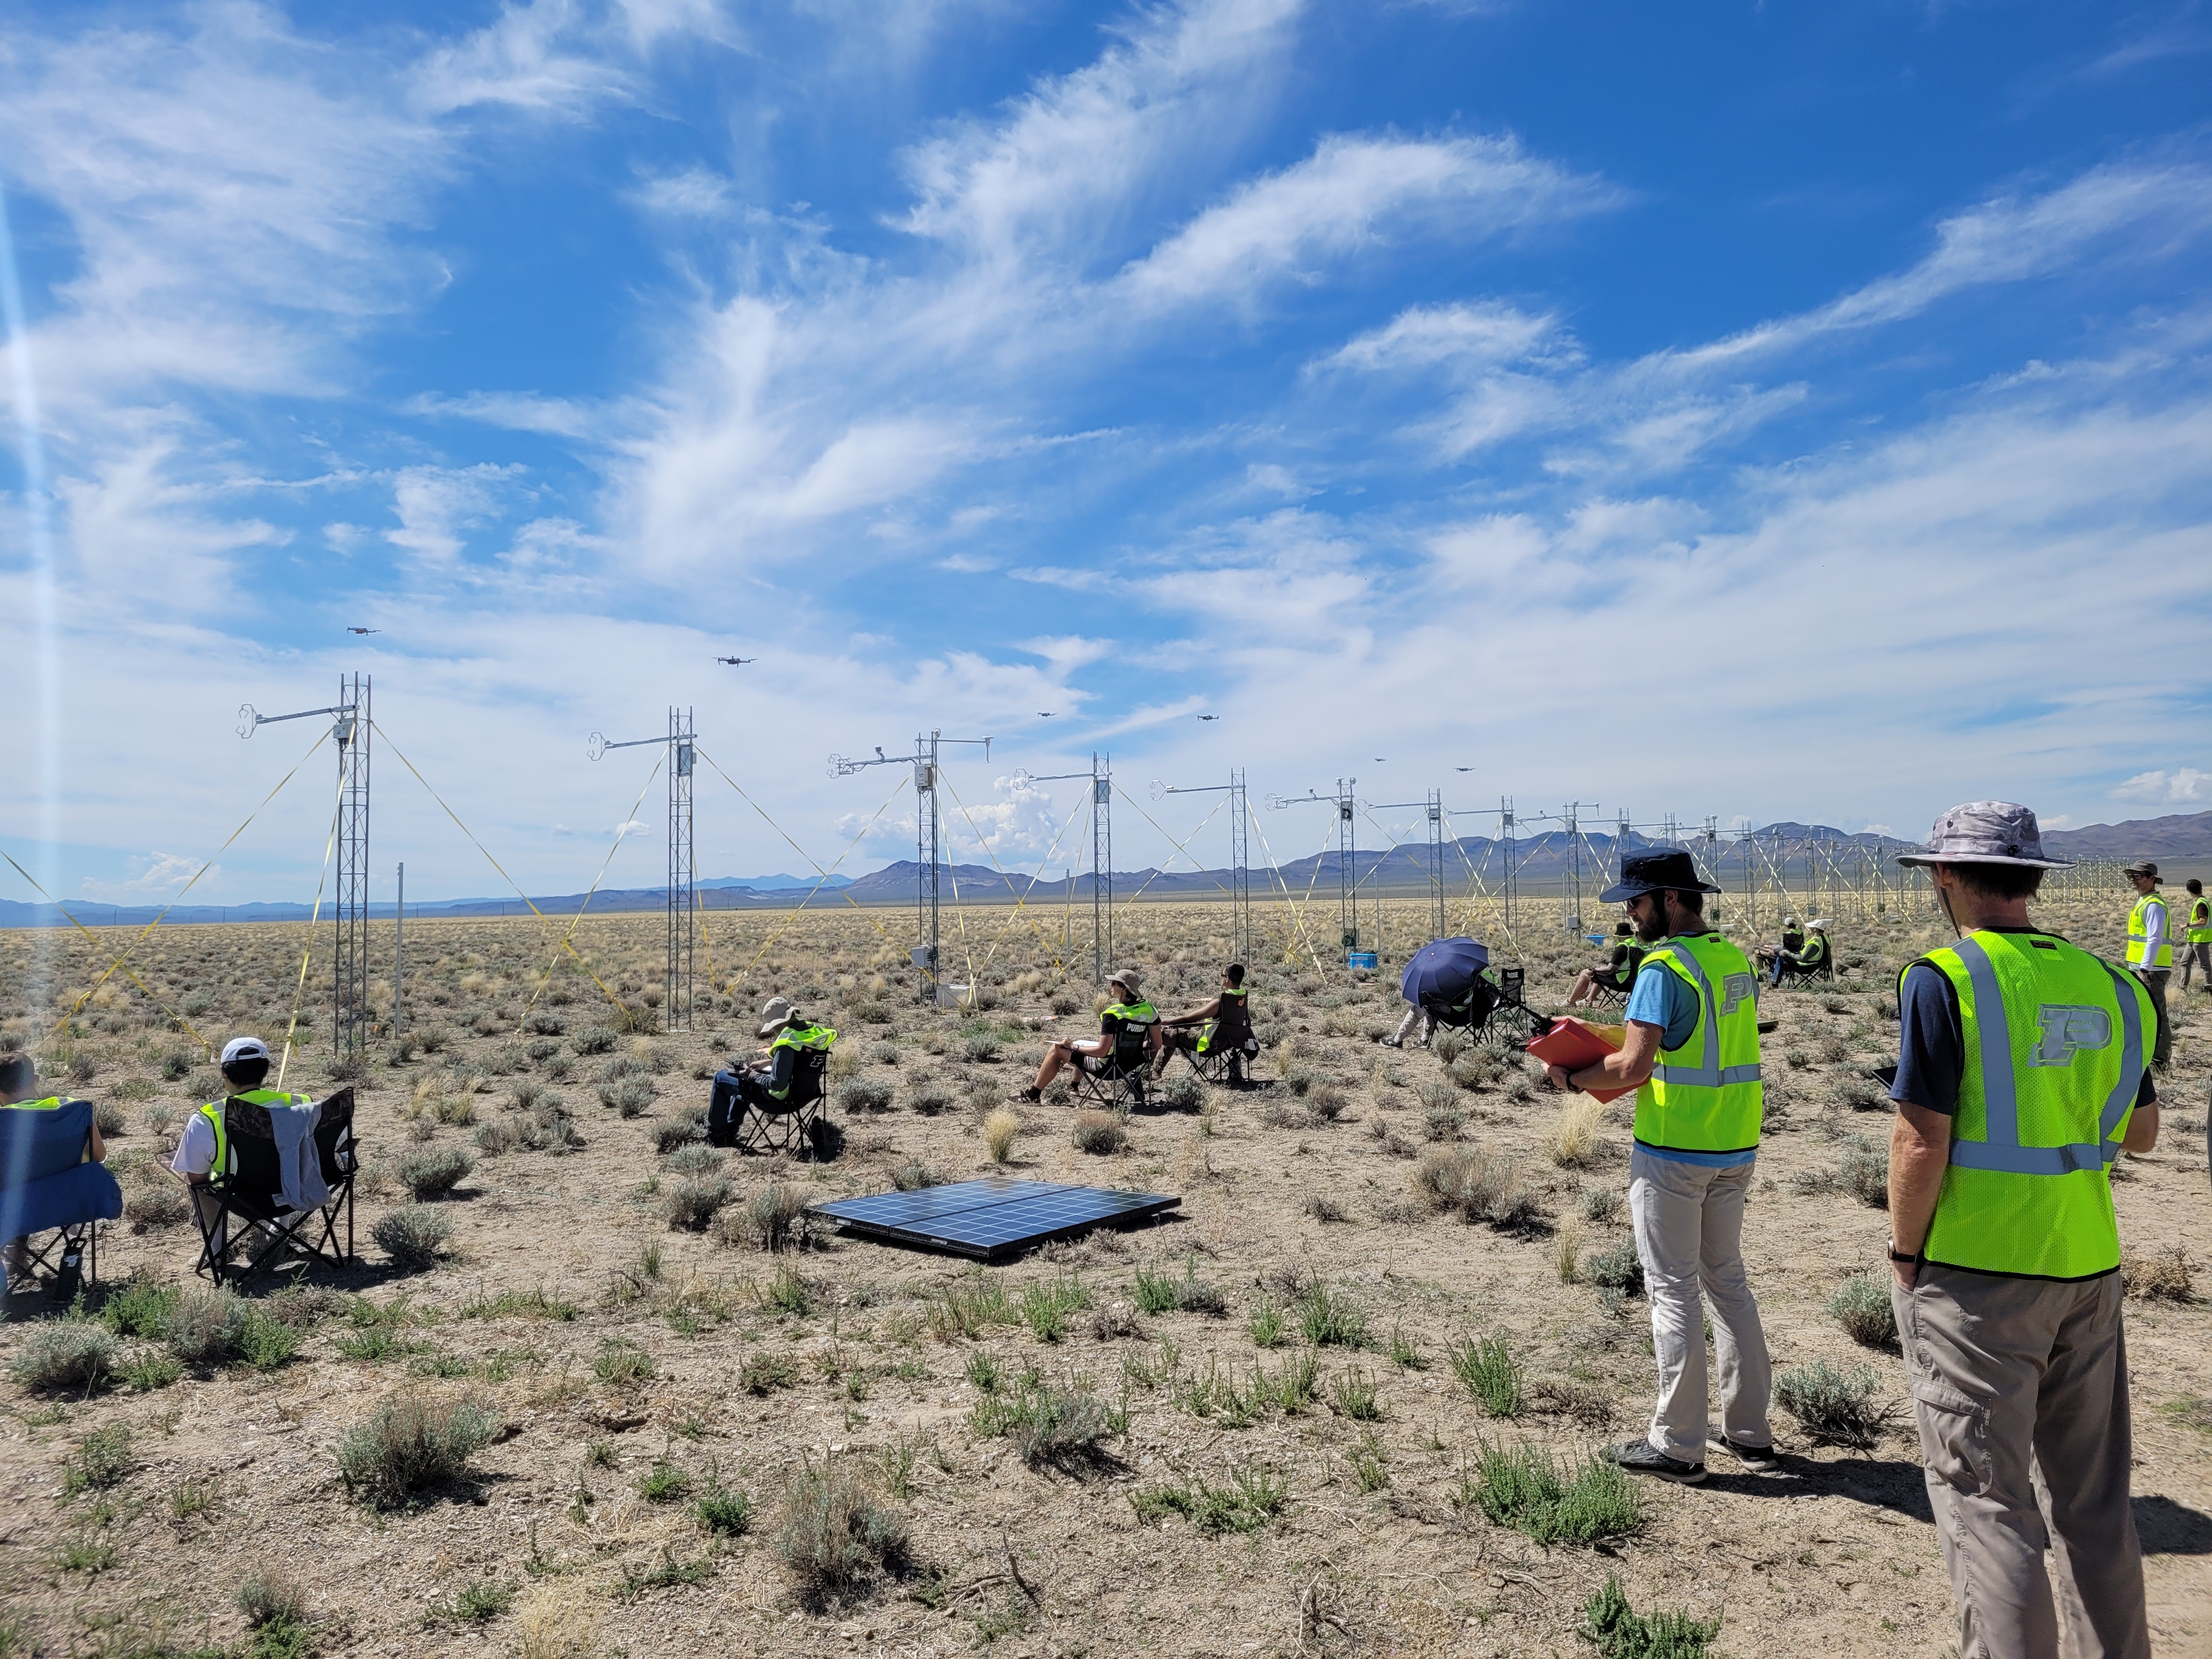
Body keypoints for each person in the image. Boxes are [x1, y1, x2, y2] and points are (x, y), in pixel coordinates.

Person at [1888, 802, 2157, 1659]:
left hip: (1977, 1278)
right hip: (2088, 1265)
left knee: (1988, 1504)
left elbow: (1920, 1141)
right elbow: (2143, 1133)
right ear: (2033, 879)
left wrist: (1904, 1254)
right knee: (2095, 1505)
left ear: (1944, 876)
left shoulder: (1944, 978)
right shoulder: (2114, 985)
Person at [1542, 849, 1773, 1484]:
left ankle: (1678, 1445)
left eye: (1637, 902)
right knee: (1727, 1283)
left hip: (1674, 1150)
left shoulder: (1662, 967)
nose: (1630, 914)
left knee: (1672, 1290)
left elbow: (1634, 1066)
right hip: (1735, 1143)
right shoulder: (1732, 959)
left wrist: (1572, 1077)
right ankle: (1750, 1433)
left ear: (1671, 899)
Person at [170, 1036, 312, 1250]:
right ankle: (281, 1230)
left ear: (224, 1074)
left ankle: (217, 1250)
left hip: (241, 1200)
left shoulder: (207, 1118)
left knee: (198, 1182)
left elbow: (197, 1177)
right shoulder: (302, 1104)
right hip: (295, 1193)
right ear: (265, 1070)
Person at [1, 1050, 107, 1292]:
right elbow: (99, 1155)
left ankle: (14, 1255)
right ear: (36, 1080)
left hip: (11, 1211)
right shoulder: (72, 1110)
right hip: (67, 1203)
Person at [1015, 969, 1156, 1102]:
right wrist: (1133, 1047)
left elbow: (1102, 1052)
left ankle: (1033, 1096)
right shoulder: (1149, 1010)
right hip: (1129, 1065)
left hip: (1107, 1068)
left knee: (1058, 1048)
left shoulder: (1113, 1014)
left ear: (1124, 988)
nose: (1110, 985)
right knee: (1082, 1043)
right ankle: (1074, 1087)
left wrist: (1073, 1047)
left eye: (1114, 983)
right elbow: (1156, 1045)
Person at [1153, 963, 1256, 1083]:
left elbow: (1190, 1018)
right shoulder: (1242, 997)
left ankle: (1154, 1072)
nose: (1221, 978)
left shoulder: (1221, 1001)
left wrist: (1163, 1022)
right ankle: (1155, 1071)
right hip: (1226, 1043)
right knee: (1178, 1030)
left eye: (1222, 975)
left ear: (1227, 979)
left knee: (1166, 1033)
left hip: (1206, 1045)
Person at [2123, 860, 2171, 1071]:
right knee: (2145, 1015)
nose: (2133, 880)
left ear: (2152, 879)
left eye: (2138, 876)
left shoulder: (2153, 905)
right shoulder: (2144, 902)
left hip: (2151, 971)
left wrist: (2144, 969)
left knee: (2157, 1015)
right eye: (2131, 876)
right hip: (2141, 969)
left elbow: (2154, 939)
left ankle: (2160, 1063)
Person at [1567, 922, 1643, 1007]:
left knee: (1585, 973)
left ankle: (1570, 1002)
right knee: (1601, 973)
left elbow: (1611, 969)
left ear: (1618, 936)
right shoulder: (1637, 945)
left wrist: (1594, 970)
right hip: (1634, 982)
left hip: (1620, 982)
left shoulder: (1622, 948)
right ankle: (1588, 1000)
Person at [1768, 918, 1832, 987]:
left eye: (1811, 927)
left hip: (1804, 967)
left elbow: (1802, 959)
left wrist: (1788, 953)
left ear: (1815, 929)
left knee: (1778, 954)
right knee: (1780, 956)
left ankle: (1775, 983)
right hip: (1814, 965)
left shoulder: (1815, 943)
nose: (1809, 929)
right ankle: (1775, 984)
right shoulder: (1825, 939)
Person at [2182, 877, 2212, 991]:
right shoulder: (2203, 902)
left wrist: (2187, 925)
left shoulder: (2201, 904)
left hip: (2200, 939)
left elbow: (2203, 921)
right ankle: (2182, 988)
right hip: (2193, 939)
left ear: (2189, 891)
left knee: (2205, 965)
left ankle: (2209, 987)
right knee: (2184, 962)